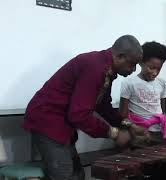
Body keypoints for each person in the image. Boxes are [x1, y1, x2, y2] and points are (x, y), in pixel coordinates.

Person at [23, 35, 144, 180]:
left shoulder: (106, 69)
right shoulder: (96, 67)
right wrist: (114, 134)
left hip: (61, 122)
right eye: (132, 64)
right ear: (120, 56)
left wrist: (128, 124)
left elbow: (103, 105)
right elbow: (78, 115)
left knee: (78, 175)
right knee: (64, 175)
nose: (134, 69)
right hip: (47, 120)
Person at [119, 41, 166, 146]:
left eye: (159, 69)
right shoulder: (129, 83)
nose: (155, 72)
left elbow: (163, 113)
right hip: (139, 135)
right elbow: (122, 115)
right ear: (141, 62)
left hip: (159, 133)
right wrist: (131, 132)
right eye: (151, 67)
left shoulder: (161, 83)